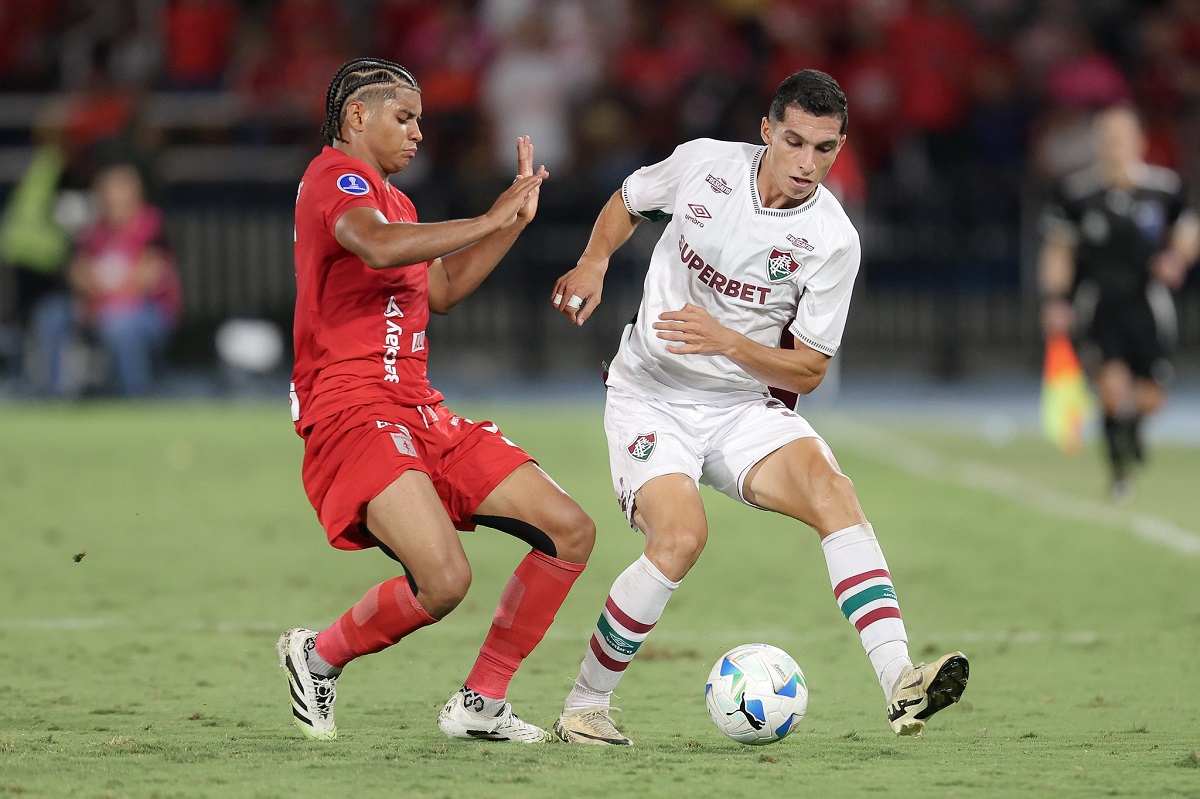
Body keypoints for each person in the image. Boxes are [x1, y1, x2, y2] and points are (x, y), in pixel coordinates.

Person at [548, 69, 968, 745]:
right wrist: (595, 260)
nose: (807, 163)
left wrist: (728, 342)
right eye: (795, 141)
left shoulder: (833, 239)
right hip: (650, 395)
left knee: (834, 493)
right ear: (766, 131)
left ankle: (900, 680)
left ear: (839, 148)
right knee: (680, 538)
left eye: (824, 149)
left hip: (740, 406)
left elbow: (811, 368)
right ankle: (585, 705)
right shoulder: (704, 165)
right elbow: (629, 199)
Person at [277, 57, 596, 744]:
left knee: (570, 529)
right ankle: (318, 655)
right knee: (445, 580)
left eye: (418, 120)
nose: (418, 132)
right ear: (357, 116)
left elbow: (442, 290)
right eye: (404, 117)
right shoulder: (336, 178)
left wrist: (511, 223)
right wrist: (486, 216)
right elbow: (374, 246)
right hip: (353, 411)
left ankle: (482, 701)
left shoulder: (397, 203)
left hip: (420, 407)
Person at [1039, 105, 1199, 499]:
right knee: (1111, 388)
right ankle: (1119, 474)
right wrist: (1056, 299)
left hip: (1148, 303)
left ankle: (1132, 429)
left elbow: (1188, 229)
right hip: (1100, 302)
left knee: (1151, 398)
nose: (1113, 144)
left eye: (1121, 137)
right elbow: (1058, 249)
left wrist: (1176, 259)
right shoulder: (1077, 193)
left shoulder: (1163, 187)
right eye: (1107, 137)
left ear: (1139, 141)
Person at [30, 162, 180, 398]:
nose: (111, 196)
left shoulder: (151, 224)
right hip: (96, 306)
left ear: (135, 192)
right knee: (51, 314)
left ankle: (135, 396)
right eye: (106, 189)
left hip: (146, 312)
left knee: (119, 326)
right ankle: (54, 395)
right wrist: (92, 299)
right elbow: (77, 273)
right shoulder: (94, 229)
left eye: (118, 189)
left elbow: (145, 280)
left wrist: (103, 301)